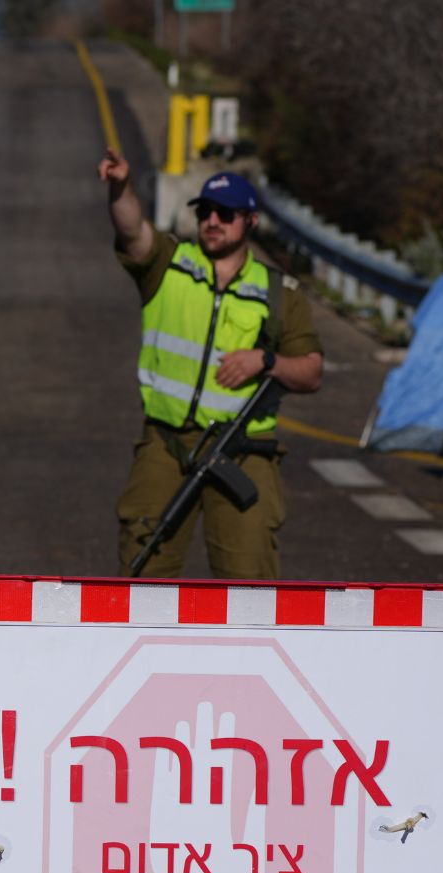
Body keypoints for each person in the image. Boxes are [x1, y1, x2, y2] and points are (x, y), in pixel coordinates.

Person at [99, 150, 324, 579]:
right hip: (166, 445)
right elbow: (132, 231)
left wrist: (267, 360)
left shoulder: (280, 294)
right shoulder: (169, 265)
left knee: (248, 583)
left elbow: (311, 372)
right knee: (143, 572)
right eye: (205, 211)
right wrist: (120, 185)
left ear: (250, 222)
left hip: (242, 451)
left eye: (226, 213)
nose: (213, 221)